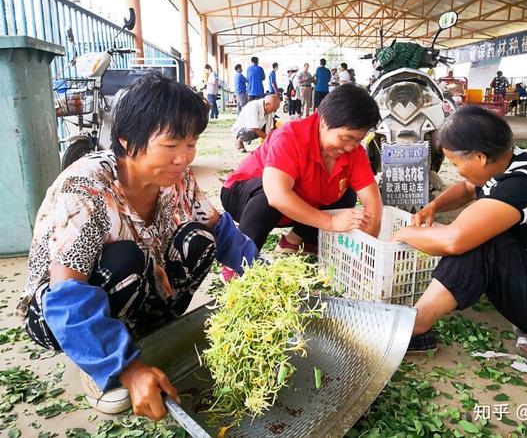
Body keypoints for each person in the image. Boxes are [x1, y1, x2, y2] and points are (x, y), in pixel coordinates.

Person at [17, 73, 260, 419]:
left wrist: (265, 271)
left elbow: (219, 229)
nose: (184, 158)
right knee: (124, 260)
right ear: (127, 142)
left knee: (199, 241)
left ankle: (145, 336)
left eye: (191, 144)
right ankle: (101, 363)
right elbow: (65, 295)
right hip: (57, 312)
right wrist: (128, 371)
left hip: (138, 281)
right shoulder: (86, 189)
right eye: (172, 145)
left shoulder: (176, 179)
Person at [391, 105, 527, 352]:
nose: (457, 170)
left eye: (457, 163)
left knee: (479, 241)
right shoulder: (518, 158)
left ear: (479, 157)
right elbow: (468, 187)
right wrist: (434, 206)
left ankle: (416, 328)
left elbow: (453, 240)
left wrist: (404, 233)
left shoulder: (520, 185)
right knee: (476, 233)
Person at [220, 84, 384, 281]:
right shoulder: (291, 135)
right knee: (267, 195)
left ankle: (294, 241)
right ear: (323, 121)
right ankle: (238, 261)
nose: (351, 147)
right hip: (243, 195)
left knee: (345, 193)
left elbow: (373, 204)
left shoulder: (354, 152)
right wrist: (331, 222)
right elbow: (277, 196)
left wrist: (369, 255)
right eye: (346, 138)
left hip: (293, 204)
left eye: (358, 140)